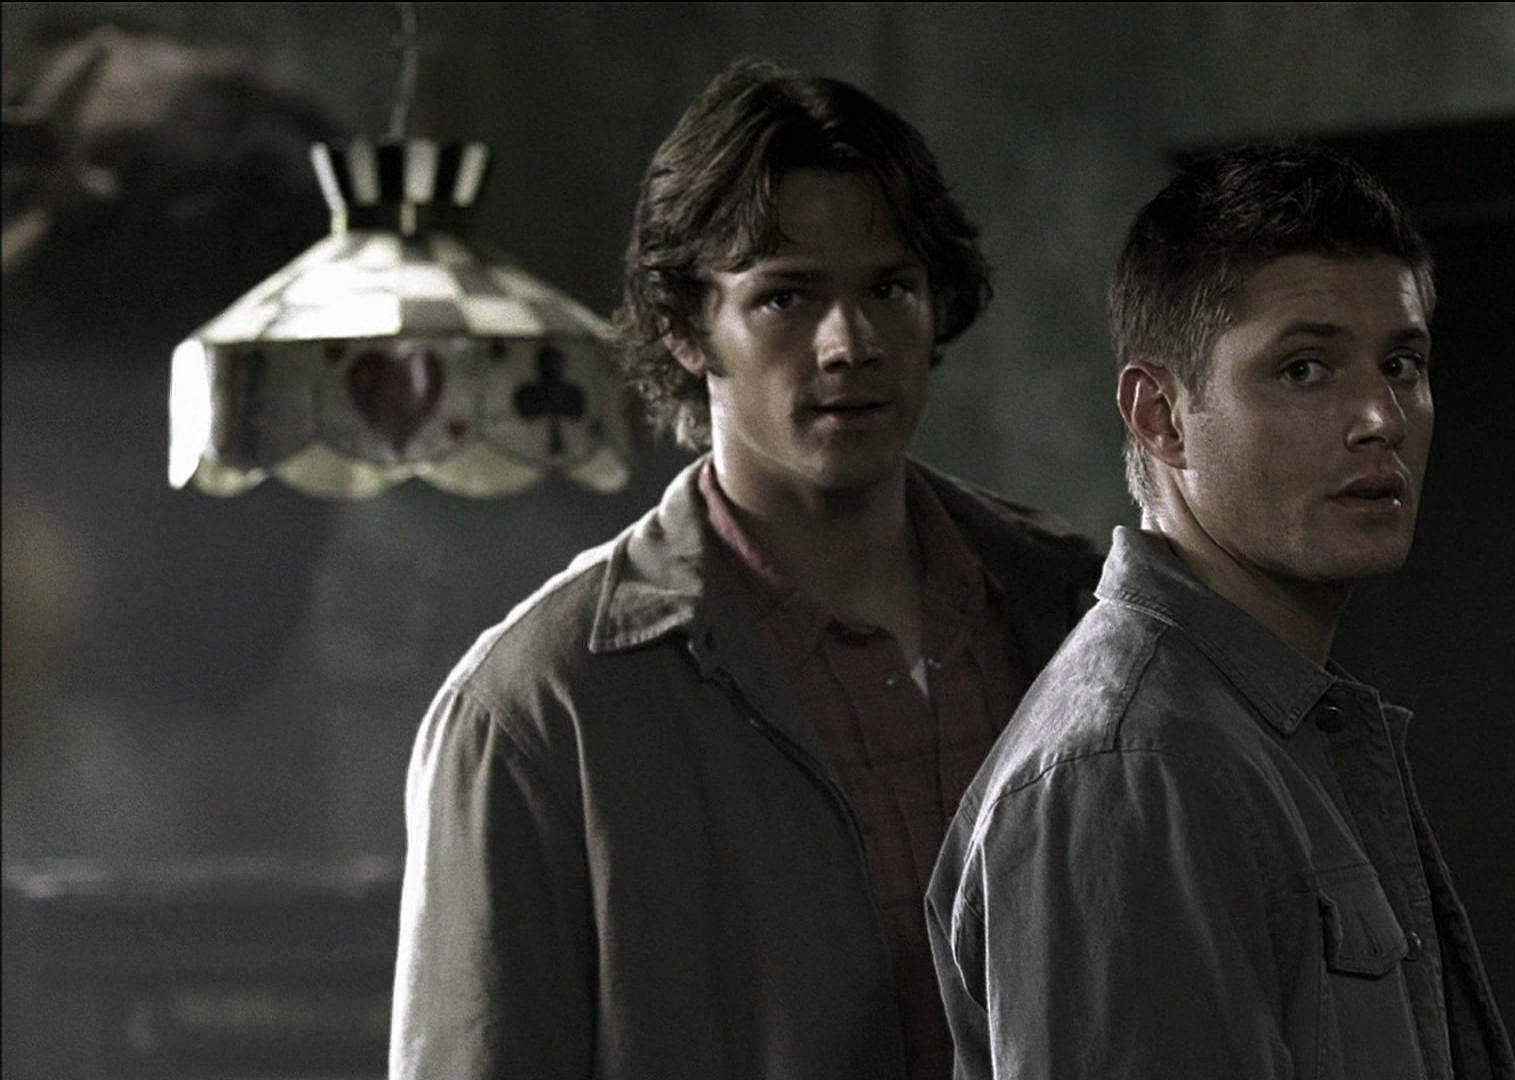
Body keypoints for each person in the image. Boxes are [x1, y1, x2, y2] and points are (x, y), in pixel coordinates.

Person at [389, 58, 1101, 1080]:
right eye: (786, 299)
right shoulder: (545, 706)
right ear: (686, 328)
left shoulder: (1068, 607)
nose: (850, 342)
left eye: (890, 288)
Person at [927, 143, 1515, 1079]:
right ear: (1160, 416)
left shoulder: (1259, 731)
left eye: (1402, 363)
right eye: (1305, 369)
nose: (1382, 418)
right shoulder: (1136, 770)